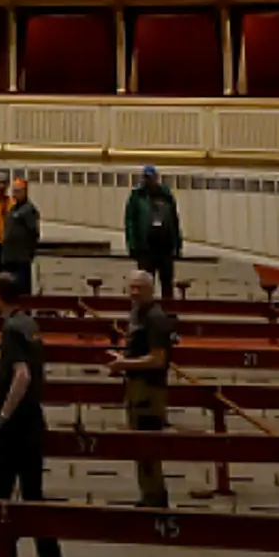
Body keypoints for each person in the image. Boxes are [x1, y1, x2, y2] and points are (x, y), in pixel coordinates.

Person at [0, 271, 60, 557]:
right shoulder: (29, 323)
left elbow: (22, 375)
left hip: (16, 425)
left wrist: (3, 416)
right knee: (33, 496)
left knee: (1, 501)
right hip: (33, 421)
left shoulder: (11, 329)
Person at [107, 270, 174, 508]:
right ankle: (148, 494)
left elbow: (158, 359)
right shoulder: (137, 313)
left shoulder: (155, 318)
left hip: (150, 389)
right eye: (131, 287)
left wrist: (124, 363)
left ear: (150, 289)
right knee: (139, 443)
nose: (134, 292)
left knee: (147, 445)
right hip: (135, 384)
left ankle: (156, 497)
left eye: (140, 288)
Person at [124, 165, 182, 299]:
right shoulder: (137, 197)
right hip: (145, 248)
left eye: (150, 178)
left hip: (165, 247)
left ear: (156, 178)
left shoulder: (166, 195)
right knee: (145, 283)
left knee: (167, 282)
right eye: (145, 178)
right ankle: (145, 312)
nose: (148, 181)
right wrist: (132, 244)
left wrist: (177, 244)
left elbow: (174, 220)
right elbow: (130, 222)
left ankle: (168, 312)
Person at [3, 176, 42, 295]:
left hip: (21, 257)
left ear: (24, 191)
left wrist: (29, 251)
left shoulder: (28, 210)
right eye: (14, 191)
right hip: (10, 256)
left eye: (18, 191)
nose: (15, 194)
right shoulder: (13, 208)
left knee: (22, 289)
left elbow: (34, 232)